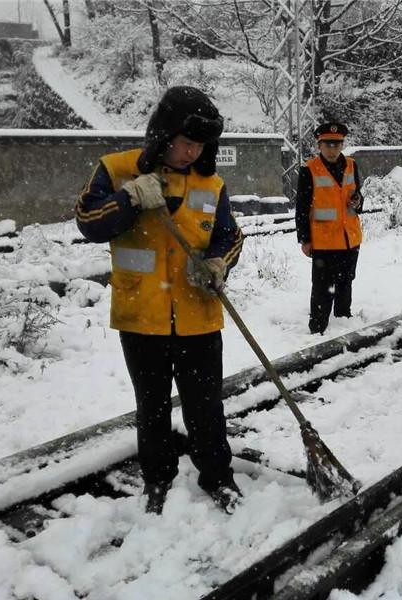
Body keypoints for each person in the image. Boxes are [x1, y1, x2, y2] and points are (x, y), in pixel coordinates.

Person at [75, 86, 244, 514]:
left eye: (200, 145)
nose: (192, 152)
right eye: (186, 142)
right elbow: (88, 222)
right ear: (164, 133)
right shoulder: (116, 170)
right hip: (141, 317)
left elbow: (230, 235)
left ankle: (217, 475)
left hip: (198, 317)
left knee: (206, 407)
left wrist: (217, 263)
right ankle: (158, 477)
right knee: (151, 408)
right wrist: (128, 199)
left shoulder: (212, 183)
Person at [295, 122, 364, 334]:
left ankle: (344, 322)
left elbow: (358, 195)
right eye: (328, 145)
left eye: (337, 144)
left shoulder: (352, 165)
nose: (332, 149)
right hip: (324, 241)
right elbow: (302, 207)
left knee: (346, 283)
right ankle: (317, 329)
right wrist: (305, 239)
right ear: (319, 145)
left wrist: (358, 201)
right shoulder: (309, 170)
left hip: (349, 238)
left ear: (342, 145)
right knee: (322, 288)